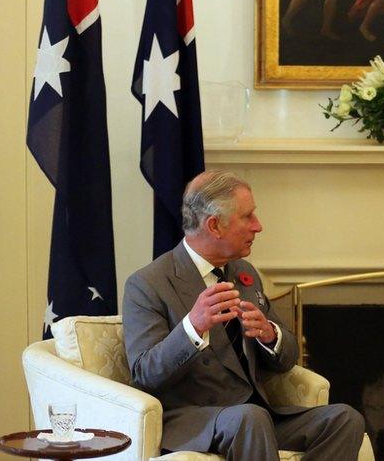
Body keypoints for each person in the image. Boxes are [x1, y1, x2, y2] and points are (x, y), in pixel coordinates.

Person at [122, 170, 364, 460]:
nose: (258, 226)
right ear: (214, 225)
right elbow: (144, 374)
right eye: (248, 217)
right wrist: (193, 327)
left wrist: (269, 335)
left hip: (257, 416)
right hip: (194, 420)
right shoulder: (148, 284)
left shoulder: (244, 273)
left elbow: (288, 358)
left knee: (345, 419)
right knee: (250, 418)